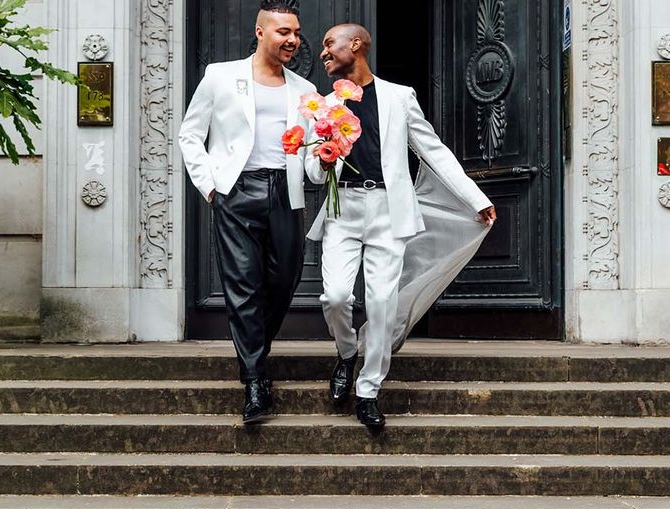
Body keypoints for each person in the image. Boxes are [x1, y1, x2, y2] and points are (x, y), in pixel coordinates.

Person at [306, 24, 497, 429]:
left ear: (355, 45)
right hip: (344, 209)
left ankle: (368, 389)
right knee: (337, 296)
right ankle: (346, 353)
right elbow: (314, 173)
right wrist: (322, 160)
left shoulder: (399, 96)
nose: (323, 53)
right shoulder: (322, 104)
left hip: (389, 212)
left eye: (329, 44)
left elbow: (434, 151)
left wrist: (474, 198)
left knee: (381, 305)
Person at [179, 0, 315, 423]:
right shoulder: (220, 77)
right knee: (242, 285)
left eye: (295, 32)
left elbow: (309, 158)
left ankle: (253, 352)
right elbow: (190, 134)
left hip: (285, 192)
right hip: (236, 190)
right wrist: (211, 187)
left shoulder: (305, 91)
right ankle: (256, 382)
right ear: (260, 32)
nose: (292, 39)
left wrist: (324, 159)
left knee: (285, 276)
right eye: (283, 32)